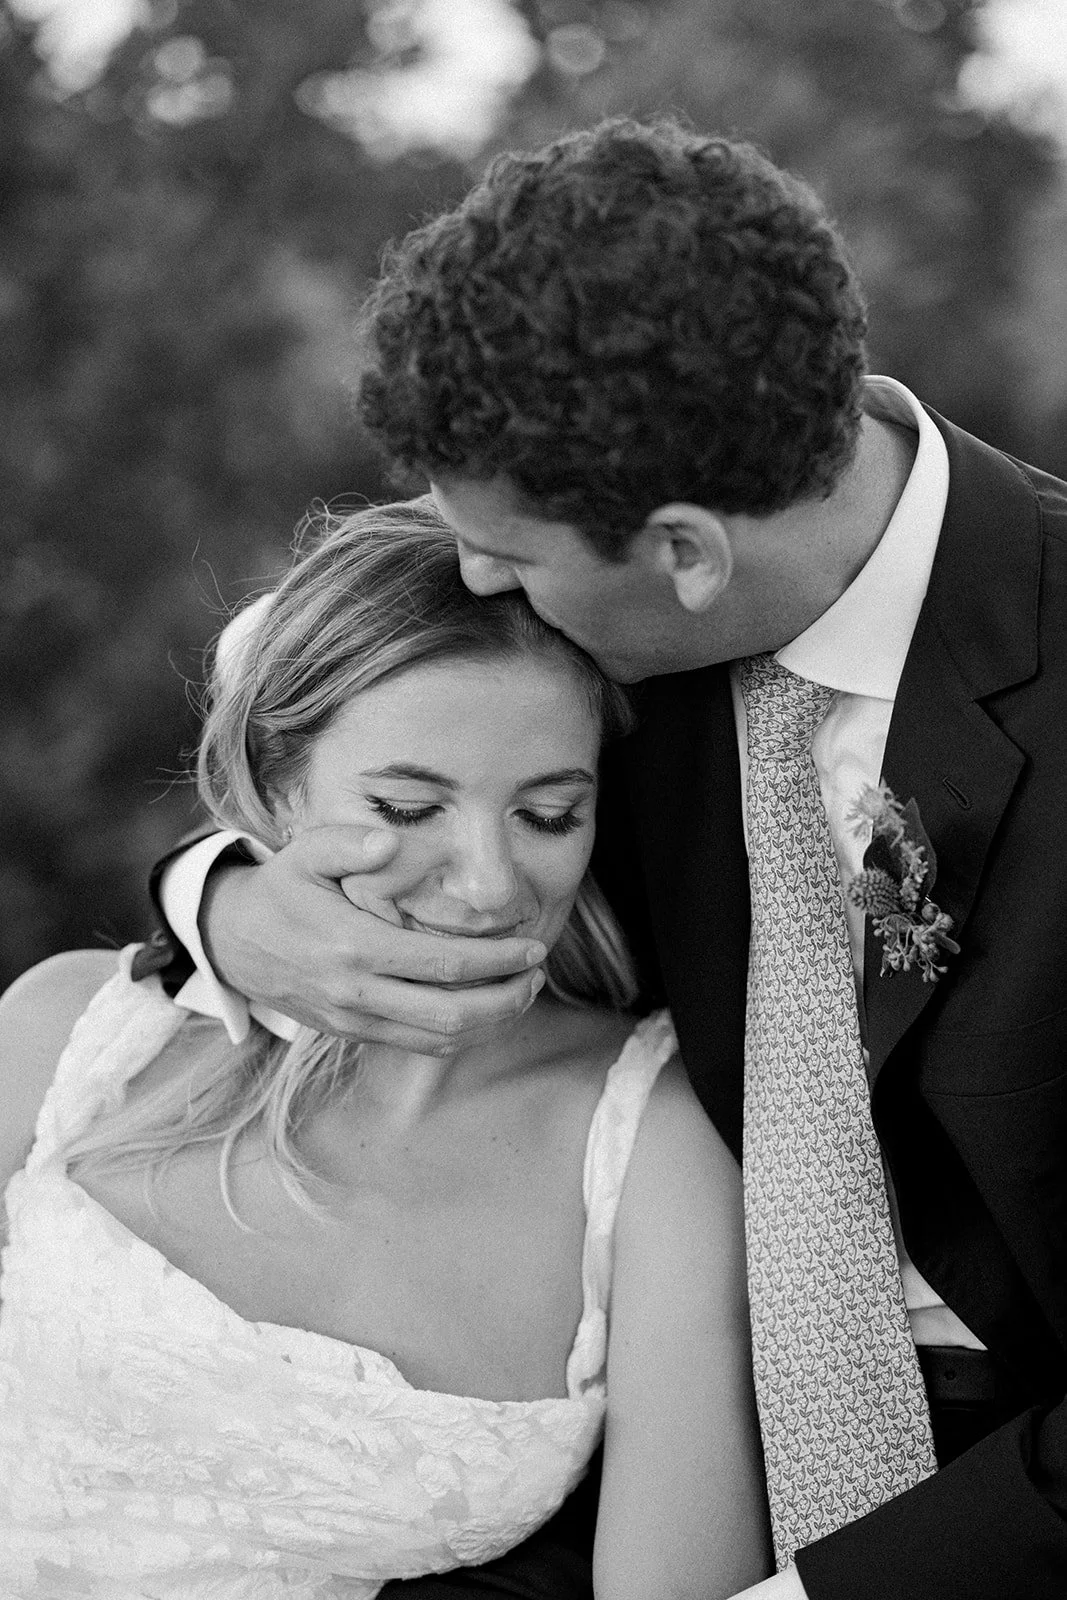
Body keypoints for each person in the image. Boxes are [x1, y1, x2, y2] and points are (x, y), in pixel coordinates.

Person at [136, 116, 1067, 1600]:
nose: (478, 580)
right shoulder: (610, 623)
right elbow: (371, 757)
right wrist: (232, 910)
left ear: (685, 553)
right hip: (614, 1439)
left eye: (506, 553)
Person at [0, 501, 770, 1598]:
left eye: (548, 815)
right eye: (407, 806)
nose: (492, 884)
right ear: (274, 789)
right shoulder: (66, 1035)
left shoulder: (653, 1146)